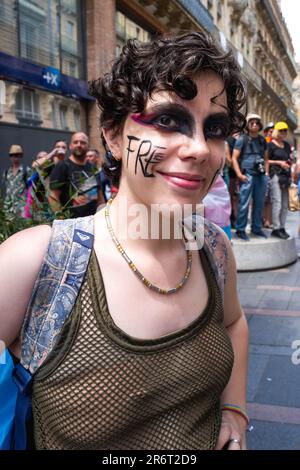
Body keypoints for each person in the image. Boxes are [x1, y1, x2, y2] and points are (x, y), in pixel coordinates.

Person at [0, 32, 248, 450]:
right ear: (113, 136)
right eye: (169, 120)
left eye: (216, 128)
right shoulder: (35, 261)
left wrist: (235, 410)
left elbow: (234, 323)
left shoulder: (213, 247)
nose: (199, 149)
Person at [49, 132, 105, 217]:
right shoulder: (62, 166)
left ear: (88, 146)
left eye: (83, 142)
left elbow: (99, 196)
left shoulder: (93, 168)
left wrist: (102, 216)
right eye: (75, 142)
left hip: (93, 220)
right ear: (70, 146)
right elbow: (53, 197)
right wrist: (62, 219)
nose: (79, 145)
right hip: (71, 222)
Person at [232, 114, 269, 241]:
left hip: (261, 175)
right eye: (251, 123)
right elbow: (234, 158)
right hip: (247, 174)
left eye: (256, 123)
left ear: (260, 125)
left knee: (259, 203)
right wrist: (239, 174)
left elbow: (266, 159)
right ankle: (240, 230)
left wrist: (267, 174)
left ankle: (256, 228)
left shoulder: (262, 140)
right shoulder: (242, 139)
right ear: (247, 125)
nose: (254, 125)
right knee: (244, 203)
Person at [268, 121, 292, 239]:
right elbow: (266, 160)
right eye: (281, 130)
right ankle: (276, 228)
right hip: (275, 175)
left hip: (285, 176)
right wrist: (279, 162)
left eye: (285, 130)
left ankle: (282, 227)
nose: (284, 133)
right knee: (277, 202)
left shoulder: (287, 145)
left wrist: (287, 164)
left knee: (285, 203)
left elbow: (289, 158)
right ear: (277, 131)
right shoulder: (270, 145)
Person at [2, 145, 31, 217]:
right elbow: (5, 188)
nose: (14, 157)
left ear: (20, 156)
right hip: (8, 207)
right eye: (12, 155)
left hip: (21, 207)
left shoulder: (26, 170)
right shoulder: (6, 172)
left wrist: (28, 205)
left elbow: (30, 188)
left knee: (21, 227)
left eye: (16, 155)